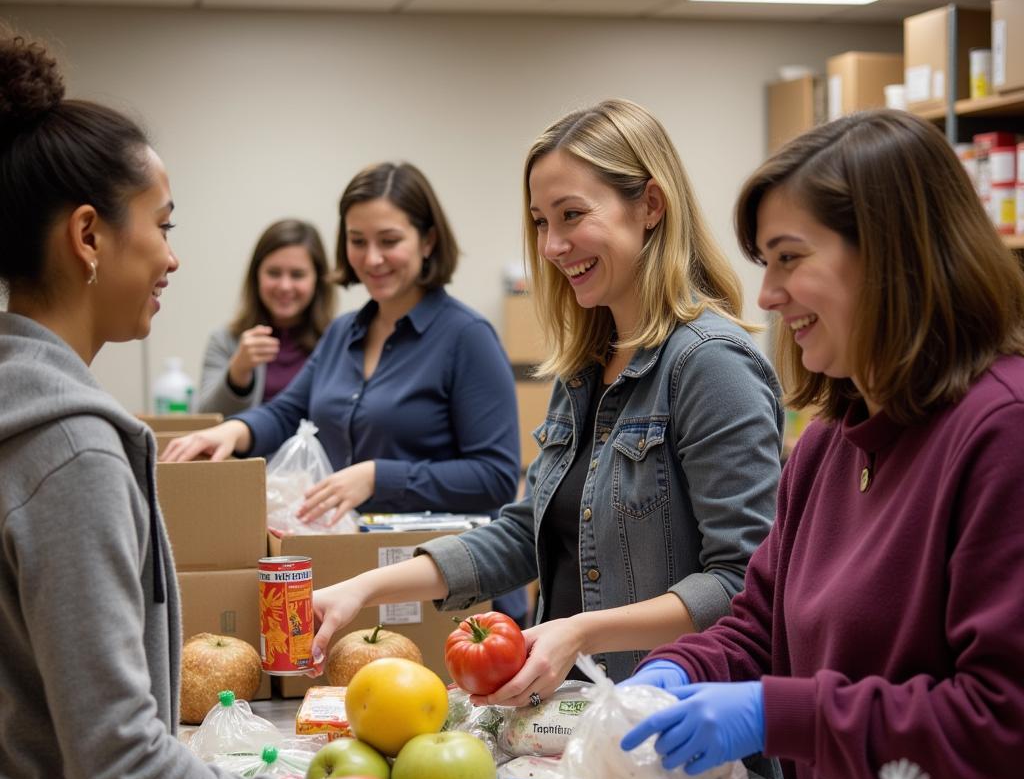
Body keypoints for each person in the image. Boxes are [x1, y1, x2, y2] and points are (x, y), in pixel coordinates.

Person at [620, 108, 1024, 779]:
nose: (766, 296)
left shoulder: (1001, 433)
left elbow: (1001, 719)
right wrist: (681, 671)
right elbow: (759, 629)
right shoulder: (832, 443)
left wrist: (780, 714)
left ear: (891, 258)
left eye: (787, 258)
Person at [310, 98, 783, 701]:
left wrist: (582, 633)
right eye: (540, 221)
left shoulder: (710, 363)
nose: (553, 245)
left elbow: (742, 584)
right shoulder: (587, 363)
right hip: (578, 718)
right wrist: (366, 589)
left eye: (571, 215)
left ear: (651, 207)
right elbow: (524, 532)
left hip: (677, 722)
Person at [0, 30, 288, 779]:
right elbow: (118, 759)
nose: (173, 254)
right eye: (161, 224)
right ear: (88, 236)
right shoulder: (70, 450)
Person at [163, 162, 520, 532]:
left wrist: (377, 478)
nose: (372, 259)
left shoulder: (467, 337)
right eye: (358, 241)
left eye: (389, 241)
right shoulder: (342, 333)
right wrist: (233, 432)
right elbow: (287, 413)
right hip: (358, 556)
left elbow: (495, 477)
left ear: (428, 240)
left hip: (445, 572)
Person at [197, 217, 335, 414]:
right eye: (274, 273)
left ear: (318, 280)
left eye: (297, 275)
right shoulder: (225, 340)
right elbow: (206, 420)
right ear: (256, 276)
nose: (285, 286)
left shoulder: (337, 342)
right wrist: (238, 372)